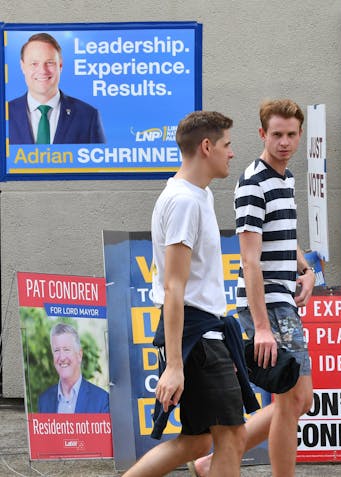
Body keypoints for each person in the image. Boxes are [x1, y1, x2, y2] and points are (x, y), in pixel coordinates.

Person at [123, 111, 258, 477]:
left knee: (199, 441)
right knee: (231, 436)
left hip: (203, 334)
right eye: (227, 144)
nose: (232, 153)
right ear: (206, 146)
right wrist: (174, 366)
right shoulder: (183, 201)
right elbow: (173, 286)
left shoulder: (199, 194)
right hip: (198, 339)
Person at [191, 99, 315, 477]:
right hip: (267, 306)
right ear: (262, 134)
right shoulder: (253, 183)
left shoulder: (286, 178)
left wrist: (305, 267)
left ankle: (215, 460)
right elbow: (249, 260)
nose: (284, 142)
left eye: (291, 134)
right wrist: (261, 326)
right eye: (276, 134)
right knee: (291, 399)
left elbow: (283, 234)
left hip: (284, 301)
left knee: (298, 400)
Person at [8, 32, 105, 144]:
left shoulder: (88, 116)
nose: (43, 71)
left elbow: (99, 160)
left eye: (49, 63)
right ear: (22, 66)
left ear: (60, 66)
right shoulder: (5, 113)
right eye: (34, 64)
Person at [37, 322, 109, 414]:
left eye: (66, 349)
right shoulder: (44, 401)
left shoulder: (102, 400)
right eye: (56, 350)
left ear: (79, 355)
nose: (62, 357)